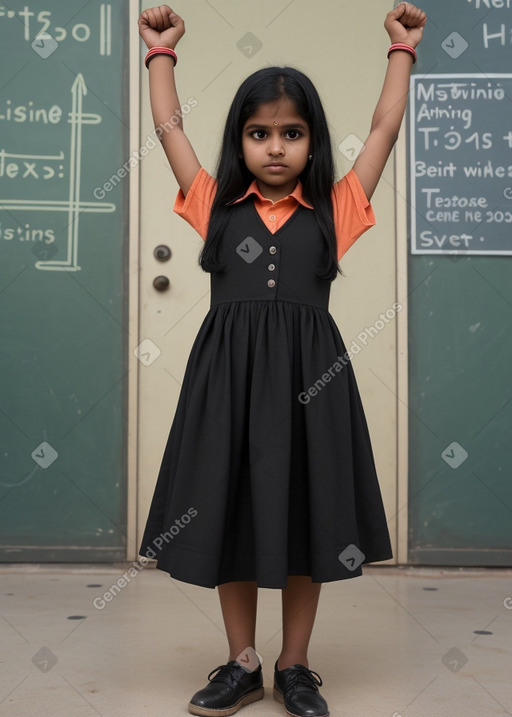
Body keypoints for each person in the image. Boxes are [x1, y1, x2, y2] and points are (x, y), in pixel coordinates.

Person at [137, 3, 427, 716]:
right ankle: (242, 662)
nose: (275, 146)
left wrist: (402, 51)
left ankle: (296, 664)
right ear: (241, 140)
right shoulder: (214, 205)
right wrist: (161, 54)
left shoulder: (336, 209)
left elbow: (385, 128)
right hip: (226, 385)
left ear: (311, 141)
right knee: (229, 511)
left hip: (311, 385)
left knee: (309, 513)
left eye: (291, 134)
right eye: (260, 133)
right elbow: (167, 129)